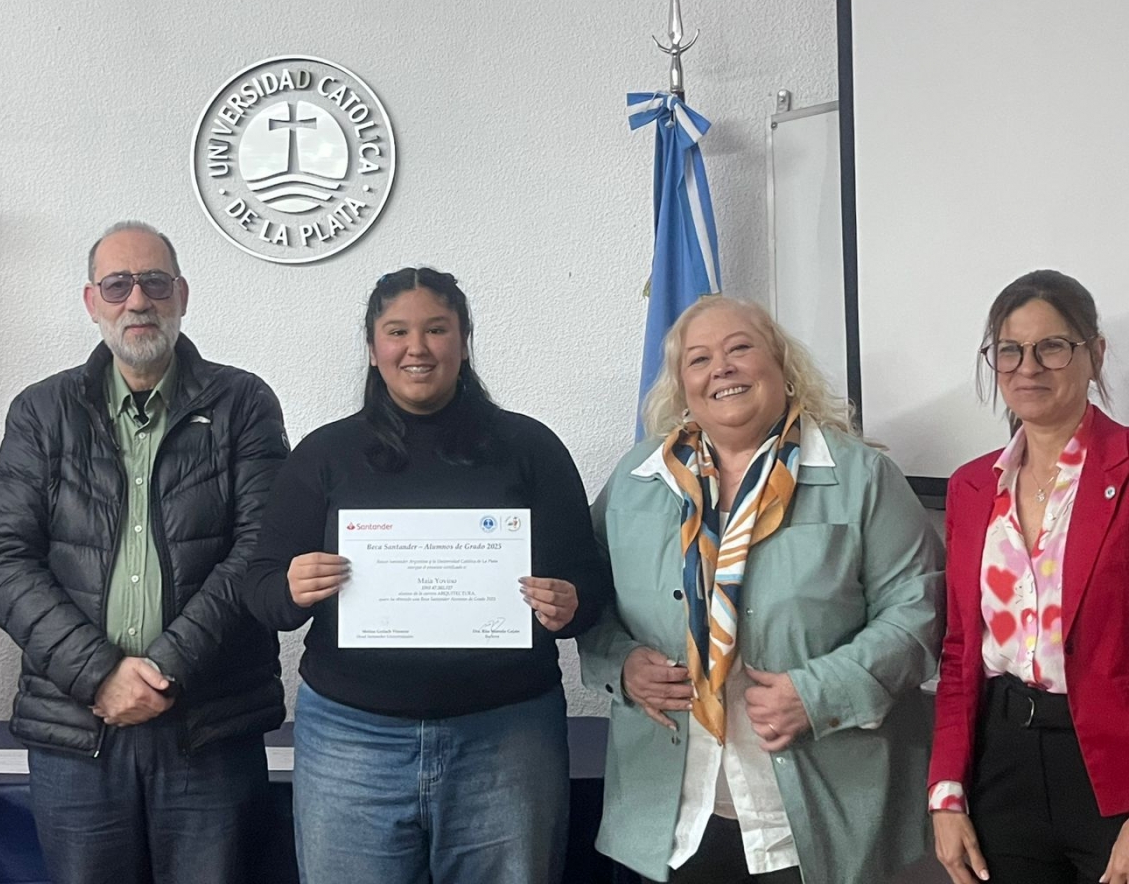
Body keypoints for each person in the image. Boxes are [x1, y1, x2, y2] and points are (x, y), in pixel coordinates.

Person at [244, 266, 611, 884]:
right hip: (351, 740)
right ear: (372, 347)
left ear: (465, 339)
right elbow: (259, 590)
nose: (417, 348)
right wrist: (290, 586)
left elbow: (589, 584)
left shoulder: (530, 448)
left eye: (437, 329)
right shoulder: (325, 454)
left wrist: (570, 601)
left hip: (507, 736)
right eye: (397, 331)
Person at [578, 295, 943, 884]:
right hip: (670, 816)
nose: (720, 368)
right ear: (682, 384)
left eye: (739, 348)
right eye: (698, 359)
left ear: (780, 363)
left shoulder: (860, 477)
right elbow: (587, 594)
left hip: (813, 819)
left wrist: (819, 691)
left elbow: (918, 613)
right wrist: (621, 665)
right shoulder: (637, 479)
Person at [0, 221, 288, 884]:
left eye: (154, 283)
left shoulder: (243, 404)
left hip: (207, 727)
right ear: (92, 303)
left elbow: (262, 548)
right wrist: (100, 675)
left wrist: (166, 668)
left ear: (181, 294)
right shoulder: (41, 411)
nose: (137, 300)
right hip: (77, 731)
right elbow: (2, 557)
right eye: (118, 285)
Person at [930, 270, 1129, 884]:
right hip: (1003, 760)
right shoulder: (971, 487)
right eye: (1009, 351)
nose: (1027, 367)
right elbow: (962, 650)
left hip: (1112, 768)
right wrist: (947, 791)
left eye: (1052, 346)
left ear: (1093, 353)